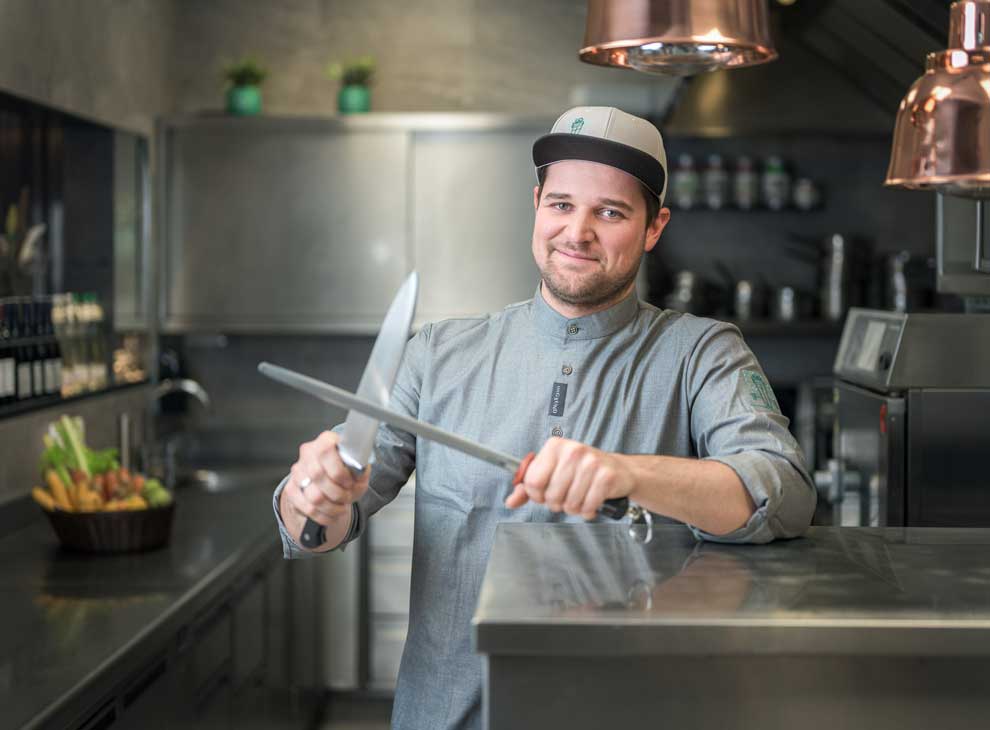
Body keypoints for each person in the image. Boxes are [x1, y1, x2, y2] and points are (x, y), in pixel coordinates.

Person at [271, 106, 816, 729]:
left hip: (630, 710)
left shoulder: (702, 352)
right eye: (561, 205)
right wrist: (315, 496)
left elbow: (786, 490)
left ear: (654, 226)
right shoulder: (436, 353)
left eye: (609, 212)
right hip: (450, 713)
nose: (577, 232)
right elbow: (320, 522)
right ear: (536, 204)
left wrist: (626, 474)